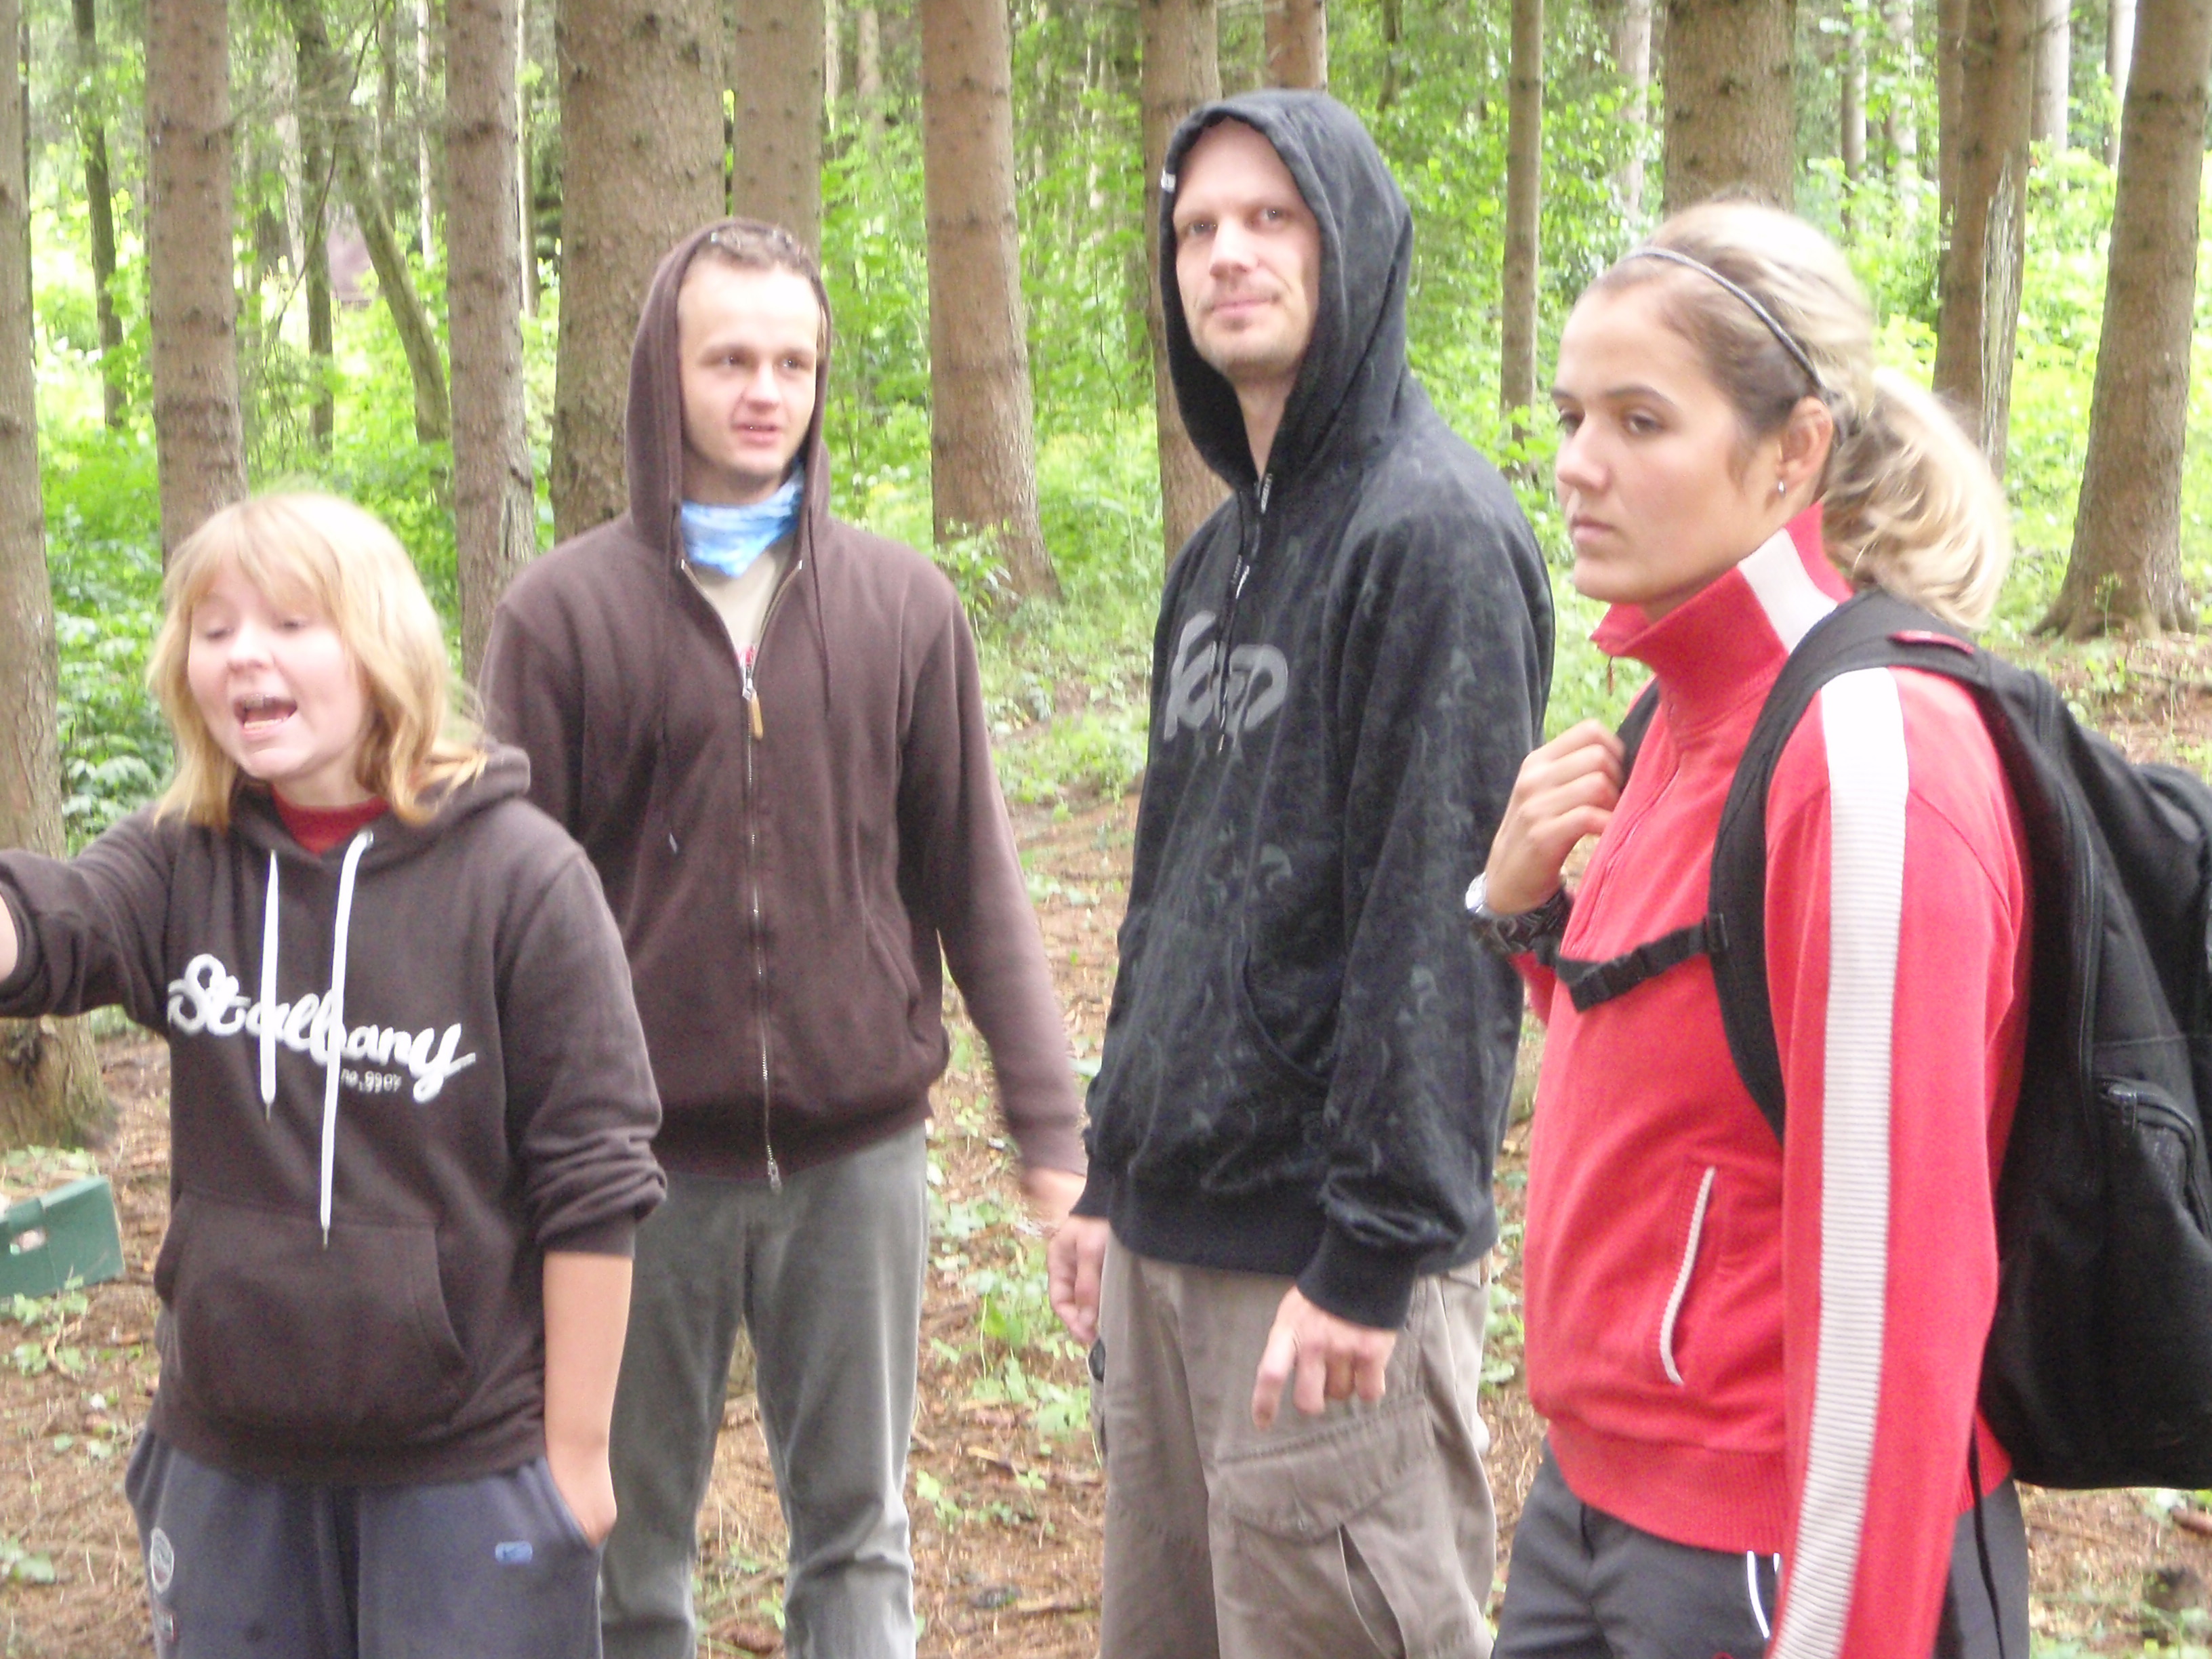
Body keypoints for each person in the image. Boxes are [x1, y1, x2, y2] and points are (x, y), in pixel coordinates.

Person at [482, 218, 1084, 1659]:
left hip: (856, 1161)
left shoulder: (903, 606)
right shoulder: (562, 618)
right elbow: (502, 915)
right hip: (632, 1178)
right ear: (665, 375)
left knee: (859, 1539)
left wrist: (1053, 1131)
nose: (765, 391)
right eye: (730, 360)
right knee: (621, 1553)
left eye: (793, 363)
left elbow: (975, 881)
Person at [1476, 201, 2031, 1657]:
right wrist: (1528, 918)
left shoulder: (1864, 754)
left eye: (1640, 420)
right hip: (1595, 1505)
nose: (1577, 463)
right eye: (1572, 415)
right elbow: (1694, 1082)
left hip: (1772, 1544)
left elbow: (1901, 1299)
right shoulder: (1673, 710)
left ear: (1793, 455)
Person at [1046, 93, 1553, 1658]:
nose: (1227, 254)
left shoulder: (1434, 535)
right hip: (1169, 1249)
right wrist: (1111, 1176)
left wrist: (1373, 1255)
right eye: (1198, 227)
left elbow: (1446, 923)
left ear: (1354, 244)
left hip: (1320, 1276)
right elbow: (1170, 889)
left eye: (1272, 218)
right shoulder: (1218, 557)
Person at [0, 493, 664, 1659]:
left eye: (291, 623)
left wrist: (575, 1462)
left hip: (467, 1467)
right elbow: (55, 924)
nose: (244, 654)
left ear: (381, 646)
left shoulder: (522, 878)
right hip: (230, 1461)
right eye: (215, 630)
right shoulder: (180, 858)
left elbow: (595, 1184)